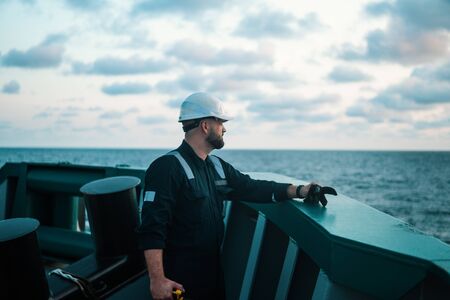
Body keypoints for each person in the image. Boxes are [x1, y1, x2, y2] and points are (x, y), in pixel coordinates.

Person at [138, 92, 317, 300]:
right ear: (205, 126)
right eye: (220, 122)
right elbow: (152, 227)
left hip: (212, 275)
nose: (224, 128)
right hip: (179, 282)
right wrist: (158, 280)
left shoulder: (217, 166)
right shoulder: (167, 168)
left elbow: (251, 187)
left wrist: (300, 190)